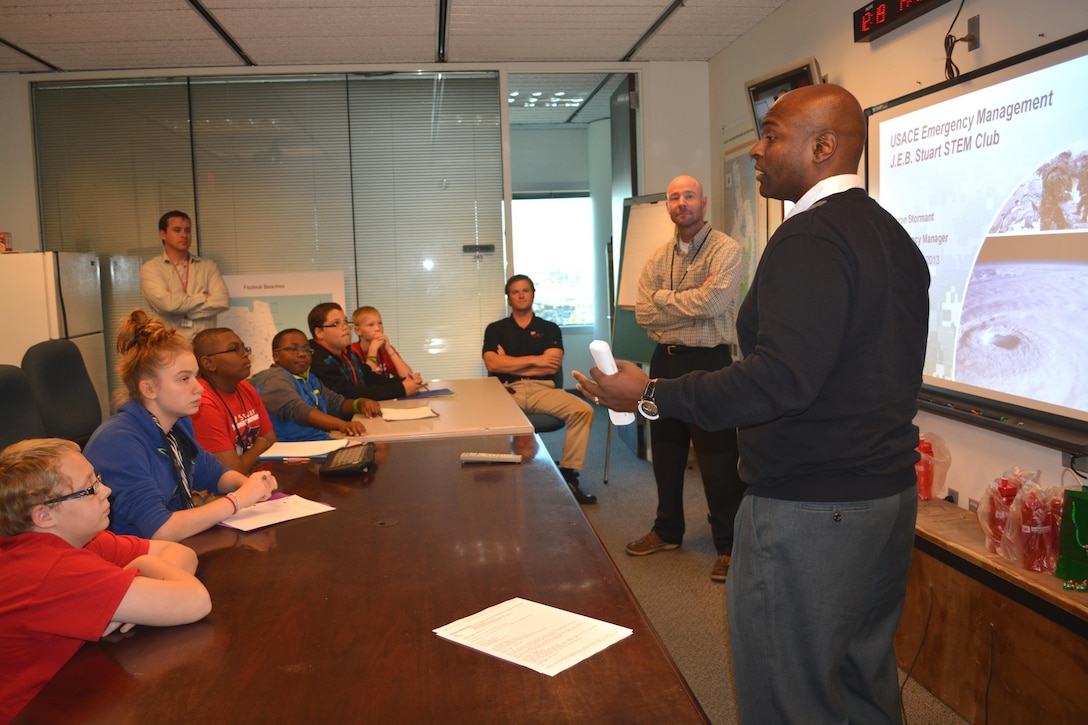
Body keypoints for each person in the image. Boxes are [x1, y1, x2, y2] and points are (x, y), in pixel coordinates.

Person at [574, 84, 930, 724]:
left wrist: (651, 393)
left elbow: (778, 381)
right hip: (885, 498)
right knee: (861, 679)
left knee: (790, 694)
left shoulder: (810, 238)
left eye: (771, 135)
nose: (757, 151)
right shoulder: (893, 237)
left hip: (812, 510)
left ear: (823, 146)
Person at [0, 438, 211, 722]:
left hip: (74, 690)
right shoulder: (53, 570)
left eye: (98, 479)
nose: (107, 490)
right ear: (44, 515)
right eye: (90, 488)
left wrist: (135, 584)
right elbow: (196, 601)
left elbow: (182, 553)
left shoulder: (81, 541)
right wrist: (145, 567)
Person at [627, 174, 746, 583]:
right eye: (674, 197)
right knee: (667, 450)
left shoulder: (726, 250)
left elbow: (713, 302)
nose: (682, 203)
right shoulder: (659, 258)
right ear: (668, 207)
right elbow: (644, 313)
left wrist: (666, 302)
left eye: (689, 196)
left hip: (710, 362)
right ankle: (667, 530)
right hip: (665, 361)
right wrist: (682, 304)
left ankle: (729, 546)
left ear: (704, 202)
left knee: (716, 458)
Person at [83, 310, 278, 541]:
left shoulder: (177, 424)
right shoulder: (119, 441)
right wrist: (238, 500)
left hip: (174, 547)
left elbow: (213, 474)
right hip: (135, 558)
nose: (199, 388)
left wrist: (250, 486)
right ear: (149, 389)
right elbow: (159, 529)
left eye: (196, 376)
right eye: (184, 379)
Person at [483, 275, 596, 505]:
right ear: (509, 297)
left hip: (542, 390)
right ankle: (501, 480)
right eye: (516, 291)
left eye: (526, 290)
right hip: (506, 390)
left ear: (533, 294)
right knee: (487, 421)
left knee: (583, 411)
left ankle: (569, 475)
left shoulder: (549, 328)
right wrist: (537, 361)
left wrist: (510, 361)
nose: (521, 295)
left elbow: (552, 363)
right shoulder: (495, 329)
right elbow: (493, 364)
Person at [252, 328, 380, 442]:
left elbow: (335, 403)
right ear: (276, 356)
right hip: (292, 450)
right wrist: (342, 425)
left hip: (317, 442)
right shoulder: (274, 378)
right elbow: (299, 410)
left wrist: (359, 404)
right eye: (292, 349)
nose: (302, 354)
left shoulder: (309, 378)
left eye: (306, 349)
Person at [191, 327, 277, 473]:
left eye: (244, 348)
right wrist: (261, 444)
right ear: (208, 363)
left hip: (257, 478)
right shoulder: (202, 404)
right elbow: (232, 470)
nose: (245, 354)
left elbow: (273, 443)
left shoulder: (245, 387)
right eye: (234, 349)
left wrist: (260, 447)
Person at [140, 211, 230, 339]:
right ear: (162, 234)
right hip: (170, 345)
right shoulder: (151, 268)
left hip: (205, 345)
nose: (184, 235)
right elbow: (167, 304)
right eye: (177, 230)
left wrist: (182, 308)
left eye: (187, 230)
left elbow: (222, 301)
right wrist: (203, 297)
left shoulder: (208, 266)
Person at [308, 302, 420, 401]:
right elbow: (349, 393)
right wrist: (401, 389)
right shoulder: (316, 360)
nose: (345, 327)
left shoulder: (348, 353)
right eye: (336, 323)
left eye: (345, 322)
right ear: (319, 332)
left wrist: (405, 382)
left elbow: (369, 377)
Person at [350, 305, 423, 389]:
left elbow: (407, 376)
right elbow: (369, 381)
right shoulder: (352, 352)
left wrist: (389, 349)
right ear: (358, 330)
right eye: (371, 325)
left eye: (380, 323)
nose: (377, 328)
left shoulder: (385, 350)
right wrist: (373, 350)